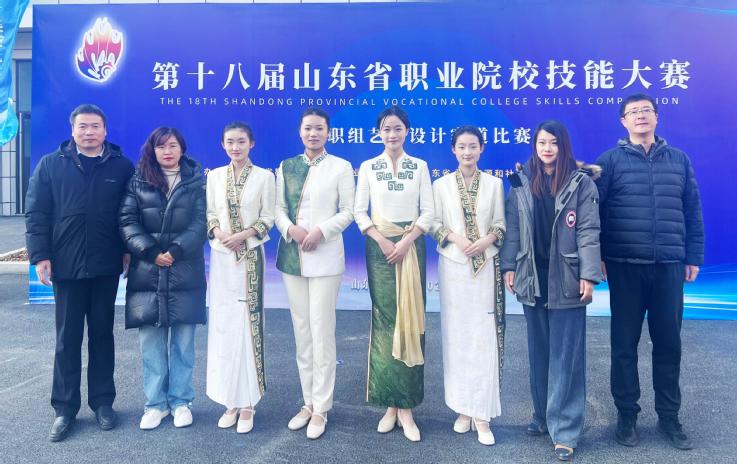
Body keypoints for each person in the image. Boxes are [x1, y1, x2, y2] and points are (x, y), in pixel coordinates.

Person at [595, 94, 704, 450]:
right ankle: (626, 415)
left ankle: (669, 417)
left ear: (656, 117)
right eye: (633, 112)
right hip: (625, 266)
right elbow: (595, 215)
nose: (640, 116)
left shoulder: (679, 160)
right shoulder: (610, 162)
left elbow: (692, 210)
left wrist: (693, 256)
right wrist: (598, 256)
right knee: (624, 346)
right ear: (623, 121)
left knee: (669, 344)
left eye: (646, 110)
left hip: (668, 266)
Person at [25, 104, 134, 442]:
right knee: (67, 339)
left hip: (105, 265)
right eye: (83, 126)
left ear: (105, 130)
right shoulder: (51, 165)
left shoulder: (121, 166)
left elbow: (129, 213)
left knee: (102, 335)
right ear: (72, 130)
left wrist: (127, 249)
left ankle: (103, 402)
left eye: (95, 126)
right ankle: (65, 408)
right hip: (67, 265)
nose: (89, 132)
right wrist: (41, 256)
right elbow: (37, 212)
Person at [500, 120, 601, 461]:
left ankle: (566, 430)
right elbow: (513, 228)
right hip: (533, 275)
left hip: (567, 276)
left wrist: (588, 275)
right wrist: (509, 266)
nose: (547, 148)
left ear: (563, 146)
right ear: (535, 145)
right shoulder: (521, 181)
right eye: (542, 142)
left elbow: (588, 231)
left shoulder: (581, 182)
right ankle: (542, 416)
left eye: (553, 143)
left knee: (566, 356)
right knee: (539, 351)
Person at [355, 106, 434, 443]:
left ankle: (407, 407)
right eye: (386, 129)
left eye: (398, 128)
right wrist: (383, 240)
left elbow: (428, 213)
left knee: (411, 321)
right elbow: (359, 211)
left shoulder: (420, 166)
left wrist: (406, 241)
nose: (392, 134)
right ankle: (390, 403)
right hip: (380, 250)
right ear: (379, 133)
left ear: (407, 131)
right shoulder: (368, 167)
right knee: (386, 322)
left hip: (411, 248)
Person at [119, 127, 207, 431]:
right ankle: (155, 404)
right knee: (151, 344)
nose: (167, 152)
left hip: (185, 271)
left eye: (172, 146)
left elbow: (201, 222)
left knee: (183, 343)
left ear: (182, 148)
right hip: (147, 273)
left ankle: (181, 402)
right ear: (152, 150)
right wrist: (151, 251)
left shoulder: (196, 181)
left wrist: (176, 249)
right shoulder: (138, 181)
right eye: (161, 147)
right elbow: (127, 221)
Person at [275, 108, 355, 440]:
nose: (313, 134)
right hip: (293, 257)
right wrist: (290, 229)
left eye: (319, 128)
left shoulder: (341, 167)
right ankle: (307, 402)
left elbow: (349, 211)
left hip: (325, 257)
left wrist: (321, 231)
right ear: (300, 132)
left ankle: (322, 407)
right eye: (308, 128)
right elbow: (277, 209)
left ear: (328, 133)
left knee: (322, 332)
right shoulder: (286, 167)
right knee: (302, 331)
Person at [430, 126, 506, 446]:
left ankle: (482, 414)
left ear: (482, 148)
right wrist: (457, 238)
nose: (467, 152)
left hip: (485, 267)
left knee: (482, 338)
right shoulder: (441, 185)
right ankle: (463, 408)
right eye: (461, 146)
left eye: (473, 146)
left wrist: (486, 240)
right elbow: (433, 223)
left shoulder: (494, 184)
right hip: (454, 266)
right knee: (457, 337)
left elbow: (501, 225)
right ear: (453, 149)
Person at [206, 122, 275, 434]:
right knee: (224, 327)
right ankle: (229, 400)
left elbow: (267, 218)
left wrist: (243, 236)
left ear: (252, 143)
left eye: (241, 141)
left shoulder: (264, 177)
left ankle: (248, 402)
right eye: (230, 142)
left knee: (247, 326)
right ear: (223, 145)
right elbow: (210, 214)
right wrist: (221, 234)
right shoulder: (214, 176)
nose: (236, 147)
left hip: (249, 258)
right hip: (222, 258)